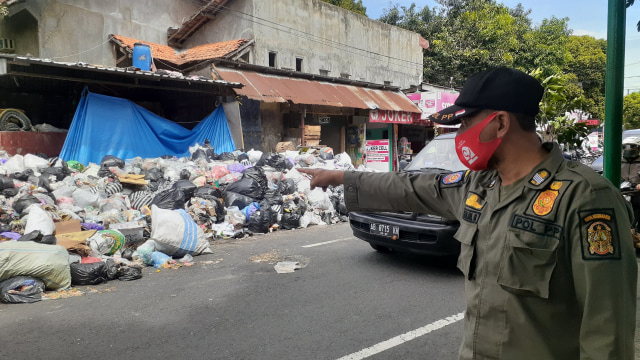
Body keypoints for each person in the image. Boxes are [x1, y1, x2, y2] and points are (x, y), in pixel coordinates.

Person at [299, 67, 637, 360]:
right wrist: (343, 177)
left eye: (466, 123)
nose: (460, 134)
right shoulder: (479, 185)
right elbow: (414, 187)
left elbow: (607, 325)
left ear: (500, 123)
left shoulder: (584, 198)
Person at [621, 136, 640, 231]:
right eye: (626, 147)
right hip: (622, 193)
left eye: (632, 146)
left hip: (637, 194)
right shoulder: (619, 161)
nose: (629, 149)